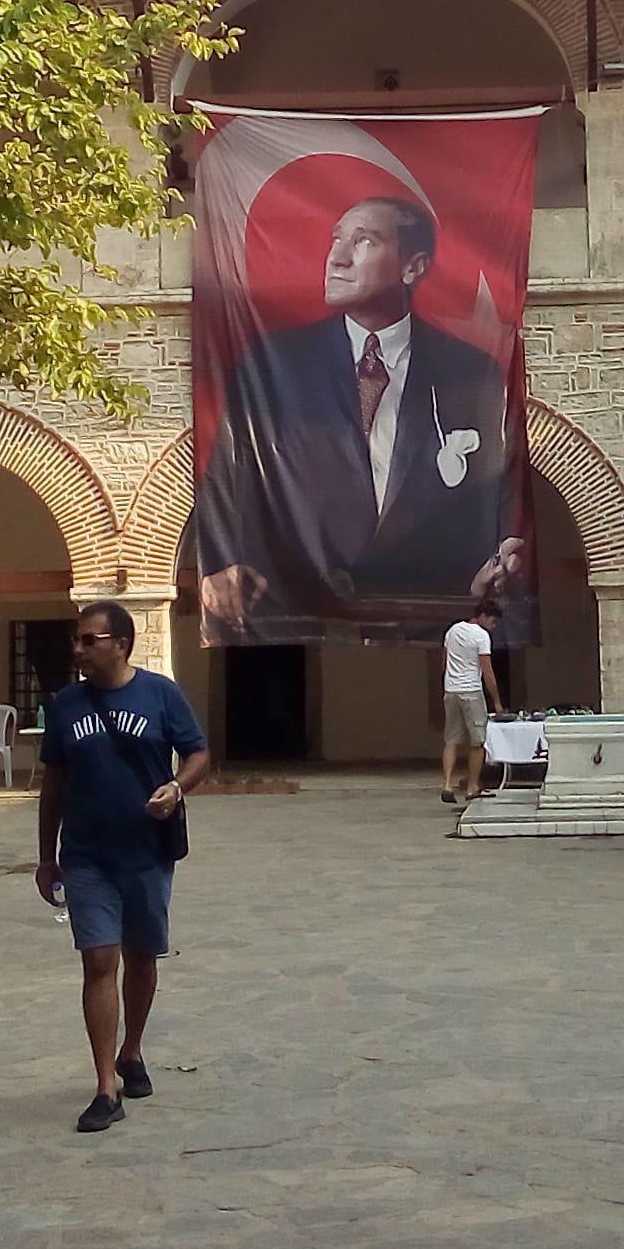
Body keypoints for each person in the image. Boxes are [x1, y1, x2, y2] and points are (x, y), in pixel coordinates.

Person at [195, 194, 527, 647]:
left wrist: (494, 560)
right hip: (302, 625)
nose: (337, 258)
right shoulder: (275, 365)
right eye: (336, 240)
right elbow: (229, 481)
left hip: (426, 626)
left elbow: (490, 489)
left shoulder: (470, 371)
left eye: (364, 241)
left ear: (412, 267)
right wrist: (221, 563)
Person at [34, 601, 211, 1133]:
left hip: (147, 852)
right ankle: (104, 1084)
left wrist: (177, 788)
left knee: (141, 955)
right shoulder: (66, 705)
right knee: (98, 960)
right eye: (77, 639)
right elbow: (53, 785)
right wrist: (46, 856)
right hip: (86, 854)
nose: (79, 648)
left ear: (121, 644)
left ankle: (131, 1049)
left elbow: (198, 753)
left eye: (89, 640)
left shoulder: (160, 695)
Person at [439, 592, 502, 807]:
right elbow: (487, 671)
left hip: (451, 690)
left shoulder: (452, 630)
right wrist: (497, 700)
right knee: (477, 742)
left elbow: (444, 662)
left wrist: (447, 682)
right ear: (483, 616)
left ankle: (447, 784)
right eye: (492, 621)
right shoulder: (481, 636)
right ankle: (472, 786)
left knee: (451, 740)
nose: (493, 626)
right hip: (471, 691)